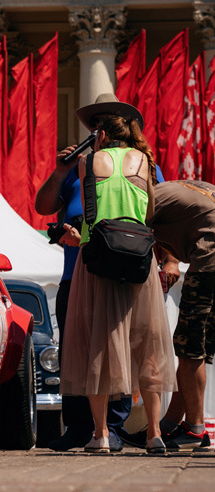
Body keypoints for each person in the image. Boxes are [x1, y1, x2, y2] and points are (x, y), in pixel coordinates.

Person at [34, 95, 169, 452]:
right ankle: (85, 428)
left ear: (106, 133)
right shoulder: (139, 162)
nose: (95, 130)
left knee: (98, 346)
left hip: (91, 261)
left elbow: (157, 216)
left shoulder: (89, 165)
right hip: (111, 264)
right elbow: (43, 206)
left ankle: (108, 429)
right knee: (105, 347)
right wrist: (61, 169)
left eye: (101, 124)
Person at [136, 180, 215, 452]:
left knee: (189, 348)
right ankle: (172, 425)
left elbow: (125, 231)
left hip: (209, 265)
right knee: (198, 350)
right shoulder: (183, 187)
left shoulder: (146, 196)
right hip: (209, 261)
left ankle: (195, 430)